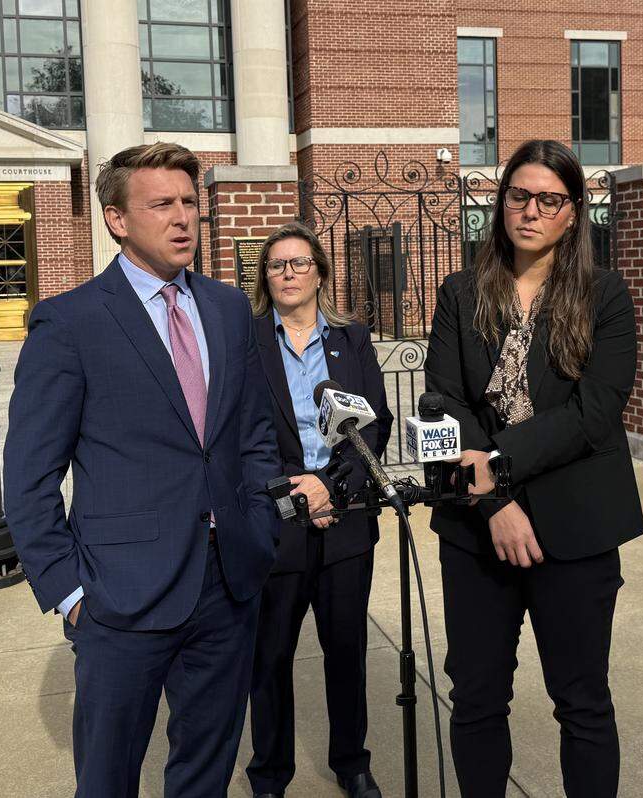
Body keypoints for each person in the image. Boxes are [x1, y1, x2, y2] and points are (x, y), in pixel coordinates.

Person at [2, 142, 282, 797]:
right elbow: (29, 478)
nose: (182, 217)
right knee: (106, 780)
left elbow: (254, 433)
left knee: (204, 777)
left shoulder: (227, 308)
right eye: (162, 204)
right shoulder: (69, 323)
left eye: (189, 202)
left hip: (227, 584)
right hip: (119, 599)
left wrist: (260, 528)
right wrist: (72, 597)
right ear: (117, 219)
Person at [425, 139, 643, 798]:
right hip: (475, 529)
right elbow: (439, 403)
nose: (530, 211)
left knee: (582, 701)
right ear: (501, 204)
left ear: (573, 213)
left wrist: (495, 465)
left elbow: (595, 413)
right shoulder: (460, 292)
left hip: (576, 524)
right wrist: (491, 501)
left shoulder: (605, 295)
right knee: (476, 698)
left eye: (549, 200)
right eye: (518, 196)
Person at [246, 222, 392, 798]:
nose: (287, 273)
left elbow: (371, 423)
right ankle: (270, 773)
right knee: (271, 654)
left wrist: (335, 487)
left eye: (299, 263)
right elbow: (238, 434)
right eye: (276, 264)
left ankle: (351, 762)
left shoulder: (351, 339)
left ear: (320, 272)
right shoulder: (248, 341)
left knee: (346, 647)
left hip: (346, 519)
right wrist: (293, 489)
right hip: (276, 519)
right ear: (265, 277)